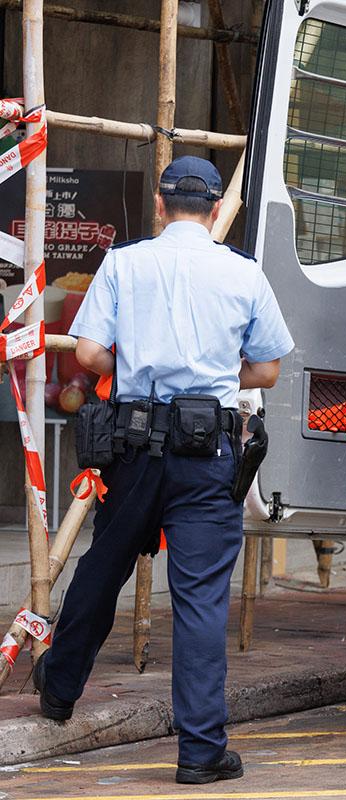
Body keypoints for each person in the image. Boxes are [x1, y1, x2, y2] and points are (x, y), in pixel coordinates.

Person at [34, 156, 294, 786]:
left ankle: (60, 687)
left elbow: (92, 351)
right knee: (200, 598)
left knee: (105, 565)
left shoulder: (124, 263)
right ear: (212, 211)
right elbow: (266, 370)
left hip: (133, 446)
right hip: (208, 456)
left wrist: (142, 363)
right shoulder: (243, 273)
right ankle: (201, 751)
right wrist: (208, 379)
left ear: (158, 203)